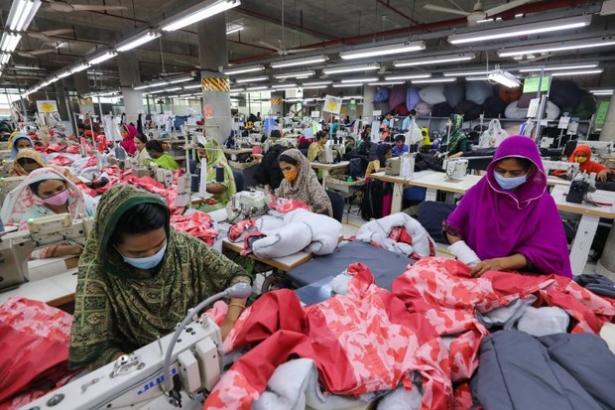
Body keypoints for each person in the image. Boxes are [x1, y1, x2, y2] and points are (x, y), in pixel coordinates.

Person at [69, 185, 251, 370]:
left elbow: (237, 276)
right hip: (139, 360)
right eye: (138, 253)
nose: (151, 255)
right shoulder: (97, 273)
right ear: (112, 244)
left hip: (198, 343)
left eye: (158, 246)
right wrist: (129, 365)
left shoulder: (182, 245)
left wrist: (229, 321)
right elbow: (92, 349)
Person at [446, 136, 572, 278]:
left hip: (519, 276)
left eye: (515, 173)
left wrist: (502, 263)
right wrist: (470, 259)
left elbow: (550, 253)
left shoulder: (541, 204)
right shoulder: (480, 192)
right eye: (500, 170)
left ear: (530, 170)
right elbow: (452, 230)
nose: (505, 177)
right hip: (475, 271)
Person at [0, 167, 96, 258]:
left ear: (66, 184)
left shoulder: (83, 202)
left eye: (59, 188)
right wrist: (64, 250)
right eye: (48, 193)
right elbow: (25, 250)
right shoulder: (31, 217)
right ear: (37, 195)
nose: (56, 194)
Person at [276, 149, 332, 216]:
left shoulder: (310, 181)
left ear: (298, 165)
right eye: (282, 169)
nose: (285, 172)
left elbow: (323, 206)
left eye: (288, 168)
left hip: (308, 221)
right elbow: (277, 200)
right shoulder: (284, 183)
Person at [195, 140, 237, 212]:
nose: (201, 156)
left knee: (196, 213)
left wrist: (201, 186)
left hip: (222, 203)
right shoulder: (206, 165)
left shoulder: (220, 165)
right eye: (199, 153)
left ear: (211, 152)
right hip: (208, 200)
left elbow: (220, 187)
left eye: (203, 153)